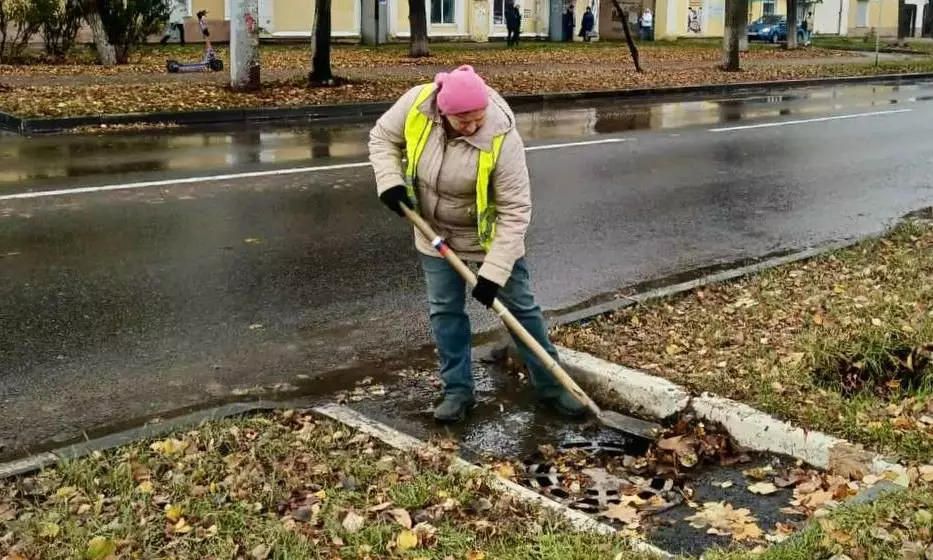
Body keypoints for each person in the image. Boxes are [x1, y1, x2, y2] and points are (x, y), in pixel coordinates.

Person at [368, 65, 585, 423]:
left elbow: (515, 212)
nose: (471, 127)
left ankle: (552, 386)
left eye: (477, 119)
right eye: (463, 121)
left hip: (489, 238)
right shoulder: (418, 104)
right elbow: (381, 138)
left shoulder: (502, 137)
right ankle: (457, 391)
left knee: (520, 309)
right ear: (443, 112)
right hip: (433, 230)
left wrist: (493, 274)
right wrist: (389, 181)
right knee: (445, 311)